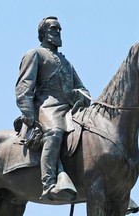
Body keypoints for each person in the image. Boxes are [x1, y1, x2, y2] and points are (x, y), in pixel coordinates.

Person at [15, 16, 90, 201]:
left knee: (94, 133)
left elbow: (83, 88)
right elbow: (24, 86)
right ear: (44, 33)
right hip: (46, 106)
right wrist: (28, 115)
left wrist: (82, 96)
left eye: (59, 29)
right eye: (54, 29)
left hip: (69, 108)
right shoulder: (35, 54)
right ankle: (49, 183)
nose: (58, 32)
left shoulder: (66, 63)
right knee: (55, 132)